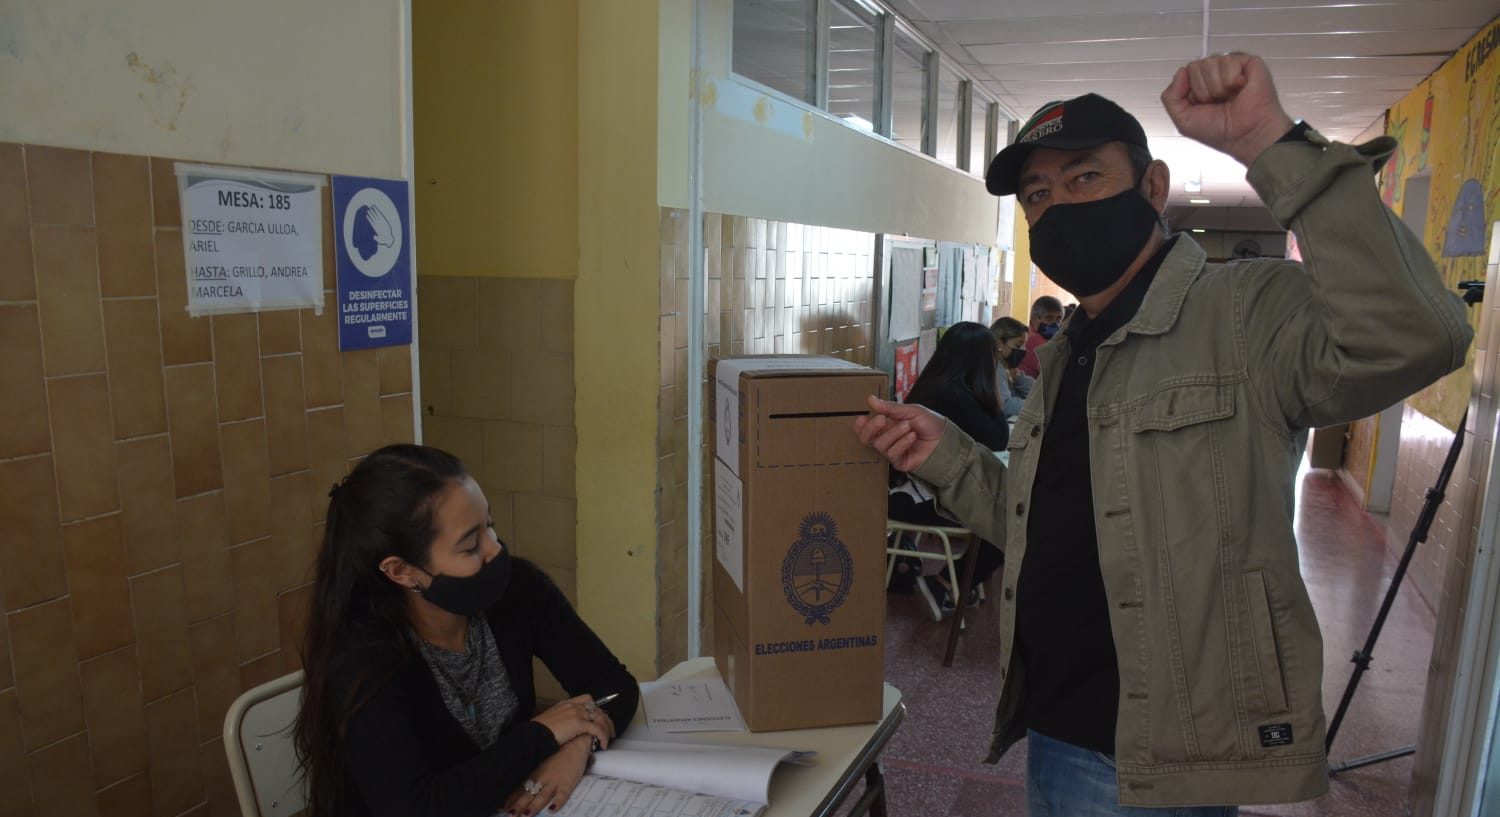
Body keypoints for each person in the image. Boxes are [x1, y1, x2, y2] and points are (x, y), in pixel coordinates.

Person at [854, 53, 1471, 814]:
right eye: (1037, 195)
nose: (1057, 208)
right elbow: (1044, 519)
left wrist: (1272, 143)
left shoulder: (1242, 312)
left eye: (1084, 179)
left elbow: (1419, 334)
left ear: (1153, 188)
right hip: (1047, 722)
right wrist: (947, 452)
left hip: (1151, 758)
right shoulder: (1069, 349)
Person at [293, 444, 639, 817]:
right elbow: (418, 808)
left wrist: (577, 745)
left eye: (489, 525)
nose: (496, 550)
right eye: (471, 545)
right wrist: (543, 735)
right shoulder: (363, 664)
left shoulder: (519, 591)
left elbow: (613, 684)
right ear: (402, 571)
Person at [887, 321, 1006, 618]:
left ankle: (953, 583)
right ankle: (942, 584)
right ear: (982, 359)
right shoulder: (954, 394)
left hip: (913, 494)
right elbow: (997, 435)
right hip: (916, 501)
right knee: (1005, 519)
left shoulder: (939, 383)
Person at [990, 316, 1034, 420]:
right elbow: (1005, 406)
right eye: (1018, 346)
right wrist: (1036, 406)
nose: (1023, 350)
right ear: (999, 344)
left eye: (1024, 345)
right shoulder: (995, 367)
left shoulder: (1006, 366)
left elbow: (1035, 393)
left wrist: (1019, 378)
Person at [1018, 295, 1063, 378]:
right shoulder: (1034, 341)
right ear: (1035, 319)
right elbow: (1053, 374)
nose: (1055, 324)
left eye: (1058, 319)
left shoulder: (1031, 334)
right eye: (1049, 318)